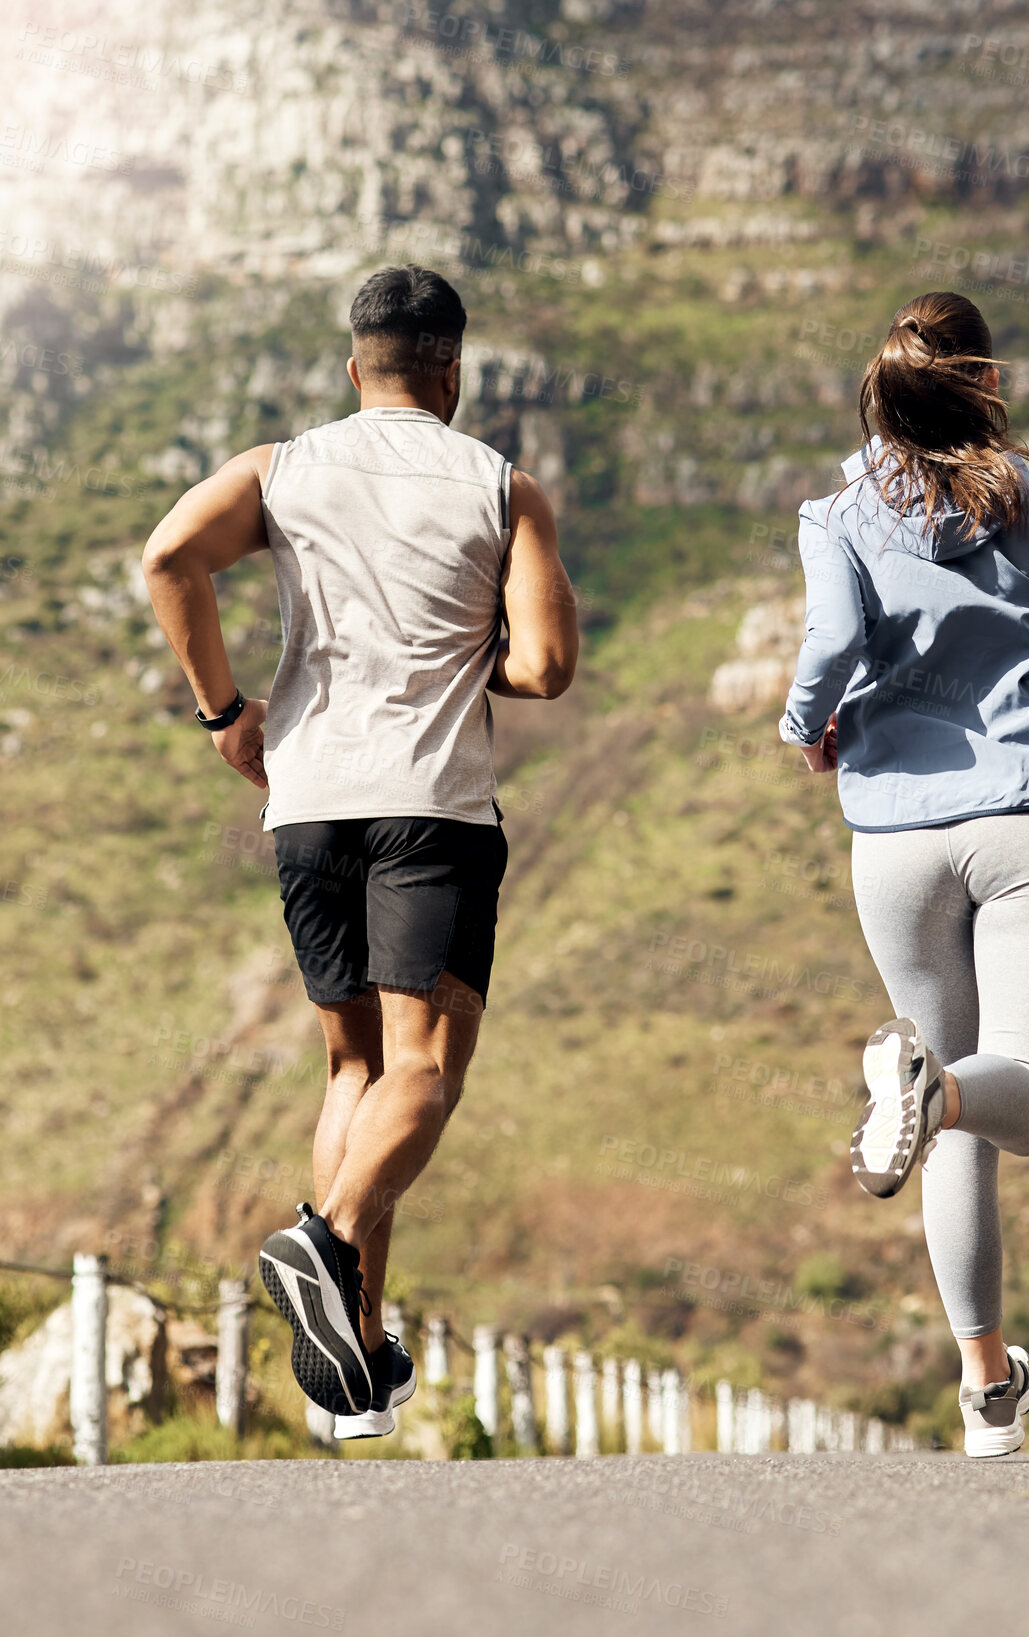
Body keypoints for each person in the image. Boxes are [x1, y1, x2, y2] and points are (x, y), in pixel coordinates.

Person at [143, 265, 578, 1436]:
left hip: (308, 803)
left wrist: (225, 712)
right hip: (431, 804)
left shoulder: (284, 468)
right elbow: (544, 668)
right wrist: (459, 658)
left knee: (354, 1072)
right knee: (425, 1073)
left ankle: (358, 1357)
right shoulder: (501, 484)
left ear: (355, 367)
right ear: (454, 370)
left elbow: (169, 556)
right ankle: (323, 1241)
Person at [779, 291, 1029, 1457]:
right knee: (1017, 1093)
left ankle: (988, 1392)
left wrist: (806, 725)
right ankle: (928, 1088)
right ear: (987, 387)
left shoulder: (837, 514)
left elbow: (834, 643)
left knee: (955, 1120)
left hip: (893, 837)